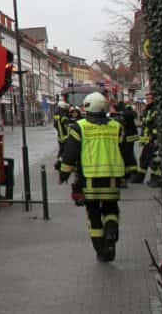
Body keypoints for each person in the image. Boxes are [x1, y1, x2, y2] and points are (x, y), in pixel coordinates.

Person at [59, 92, 126, 262]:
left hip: (89, 178)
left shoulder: (79, 127)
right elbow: (123, 149)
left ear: (87, 107)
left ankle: (101, 250)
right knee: (111, 208)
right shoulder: (116, 126)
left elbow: (70, 153)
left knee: (93, 212)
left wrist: (64, 173)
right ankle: (111, 231)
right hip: (112, 177)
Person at [137, 92, 161, 187]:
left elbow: (156, 126)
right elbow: (145, 126)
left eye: (149, 99)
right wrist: (142, 140)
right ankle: (139, 178)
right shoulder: (147, 110)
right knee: (143, 158)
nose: (147, 100)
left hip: (153, 140)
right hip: (147, 140)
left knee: (154, 160)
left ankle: (156, 179)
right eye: (146, 99)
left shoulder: (155, 110)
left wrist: (155, 138)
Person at [112, 100, 139, 185]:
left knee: (127, 155)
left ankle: (130, 174)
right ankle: (130, 173)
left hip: (128, 137)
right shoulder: (126, 113)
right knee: (129, 154)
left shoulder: (123, 115)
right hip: (130, 136)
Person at [53, 100, 70, 169]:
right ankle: (59, 163)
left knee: (61, 150)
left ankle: (59, 162)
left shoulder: (56, 115)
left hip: (59, 137)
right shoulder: (63, 116)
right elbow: (67, 127)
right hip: (65, 137)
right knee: (66, 151)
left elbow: (55, 125)